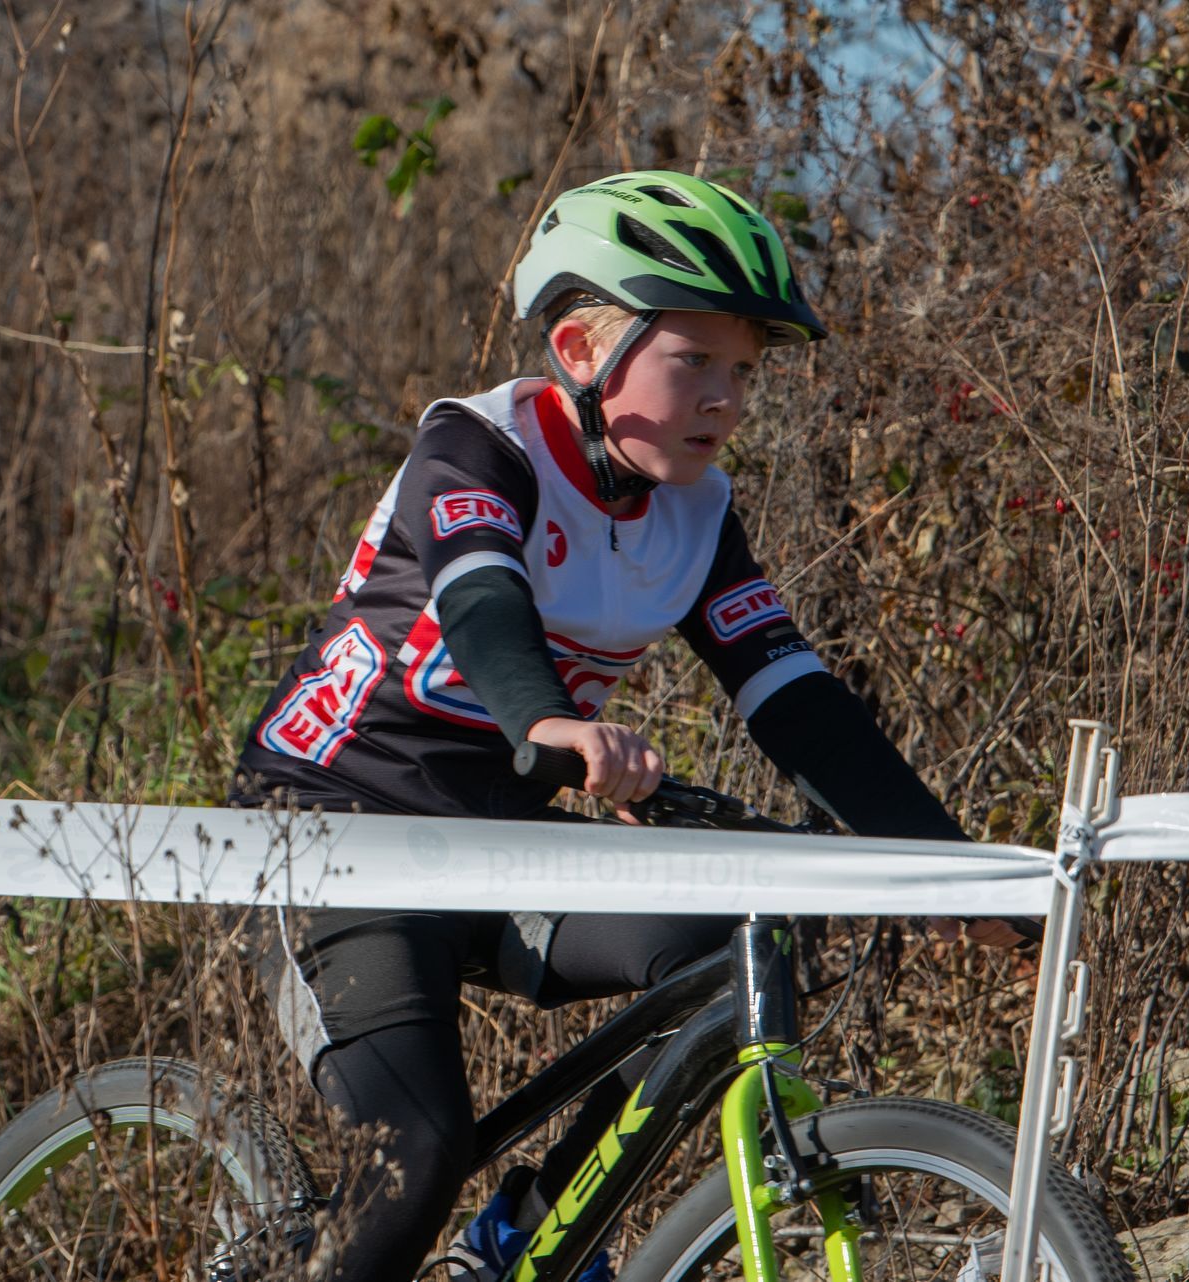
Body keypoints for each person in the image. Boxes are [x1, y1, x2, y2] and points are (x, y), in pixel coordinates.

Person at [232, 169, 1027, 1281]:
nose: (725, 398)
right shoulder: (477, 448)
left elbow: (793, 696)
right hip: (331, 828)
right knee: (417, 1146)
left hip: (501, 834)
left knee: (723, 947)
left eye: (742, 371)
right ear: (577, 349)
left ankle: (527, 1228)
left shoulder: (698, 514)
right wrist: (550, 722)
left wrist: (957, 869)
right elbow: (477, 597)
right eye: (692, 360)